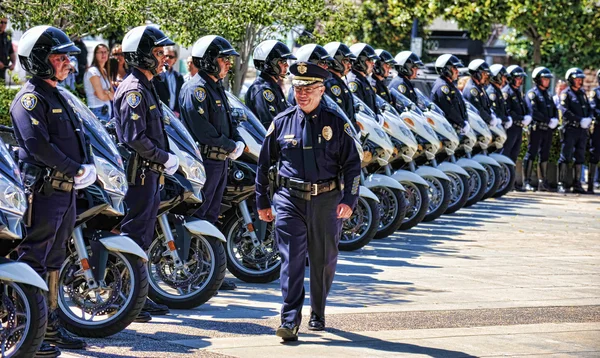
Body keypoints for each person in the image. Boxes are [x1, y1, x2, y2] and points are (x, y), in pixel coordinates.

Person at [256, 62, 361, 341]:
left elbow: (352, 166)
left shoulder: (336, 123)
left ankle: (318, 310)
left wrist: (350, 199)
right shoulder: (281, 122)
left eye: (308, 89)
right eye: (297, 88)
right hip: (289, 200)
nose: (301, 94)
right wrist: (262, 202)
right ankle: (289, 320)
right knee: (291, 261)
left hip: (327, 200)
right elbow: (264, 164)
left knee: (323, 260)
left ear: (322, 90)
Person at [11, 25, 96, 357]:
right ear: (39, 61)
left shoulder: (58, 94)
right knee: (34, 256)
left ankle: (49, 324)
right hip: (44, 192)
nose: (67, 63)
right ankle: (27, 327)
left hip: (65, 191)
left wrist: (88, 166)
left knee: (56, 257)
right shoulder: (30, 98)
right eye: (60, 57)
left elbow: (80, 136)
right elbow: (37, 145)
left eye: (68, 57)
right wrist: (75, 168)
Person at [114, 25, 180, 320]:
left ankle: (137, 294)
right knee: (134, 235)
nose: (163, 57)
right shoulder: (134, 90)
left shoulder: (147, 86)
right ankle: (126, 297)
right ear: (142, 56)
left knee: (142, 237)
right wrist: (164, 157)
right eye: (157, 52)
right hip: (140, 173)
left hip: (150, 173)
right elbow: (134, 138)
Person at [179, 35, 245, 290]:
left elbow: (230, 122)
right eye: (223, 58)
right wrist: (230, 145)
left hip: (220, 161)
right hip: (206, 160)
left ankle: (208, 272)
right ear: (208, 61)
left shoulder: (216, 87)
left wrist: (237, 141)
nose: (228, 63)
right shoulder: (197, 89)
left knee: (211, 217)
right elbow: (202, 129)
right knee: (199, 217)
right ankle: (191, 273)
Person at [245, 40, 296, 128]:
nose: (287, 65)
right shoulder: (261, 90)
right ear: (269, 64)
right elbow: (270, 125)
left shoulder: (273, 87)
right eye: (282, 62)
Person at [557, 67, 592, 194]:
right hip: (570, 129)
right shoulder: (566, 94)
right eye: (576, 79)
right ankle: (562, 183)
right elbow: (564, 111)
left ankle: (577, 184)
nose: (579, 81)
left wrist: (589, 118)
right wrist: (578, 120)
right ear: (570, 80)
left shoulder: (582, 94)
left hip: (581, 131)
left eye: (580, 79)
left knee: (580, 156)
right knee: (566, 156)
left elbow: (589, 108)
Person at [524, 67, 559, 191]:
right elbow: (533, 112)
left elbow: (554, 109)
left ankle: (542, 182)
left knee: (544, 154)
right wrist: (548, 120)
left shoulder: (548, 95)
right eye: (544, 79)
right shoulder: (532, 94)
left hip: (547, 130)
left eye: (548, 79)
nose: (547, 81)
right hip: (536, 128)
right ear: (538, 80)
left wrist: (555, 119)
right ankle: (526, 181)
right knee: (531, 153)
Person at [503, 65, 532, 190]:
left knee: (514, 155)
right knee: (506, 155)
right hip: (511, 127)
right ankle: (504, 182)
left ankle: (511, 182)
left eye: (521, 78)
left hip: (518, 128)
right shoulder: (507, 92)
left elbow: (525, 108)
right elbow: (508, 110)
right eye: (518, 77)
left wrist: (528, 116)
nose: (520, 80)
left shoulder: (518, 92)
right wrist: (521, 118)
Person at [430, 54, 470, 134]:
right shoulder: (442, 86)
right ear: (446, 69)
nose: (457, 71)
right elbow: (449, 109)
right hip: (445, 130)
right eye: (454, 68)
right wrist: (461, 123)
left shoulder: (449, 85)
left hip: (452, 129)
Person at [323, 42, 356, 125]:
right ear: (335, 61)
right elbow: (339, 114)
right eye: (346, 61)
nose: (349, 66)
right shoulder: (331, 83)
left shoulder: (338, 81)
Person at [346, 43, 380, 113]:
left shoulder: (363, 79)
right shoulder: (354, 81)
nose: (373, 63)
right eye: (370, 60)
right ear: (359, 62)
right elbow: (359, 111)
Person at [462, 59, 498, 126]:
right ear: (477, 74)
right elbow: (478, 109)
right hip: (476, 125)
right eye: (484, 73)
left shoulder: (479, 87)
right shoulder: (472, 89)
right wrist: (489, 119)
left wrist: (491, 115)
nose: (486, 76)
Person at [84, 44, 114, 121]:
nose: (104, 54)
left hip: (106, 111)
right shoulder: (93, 71)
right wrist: (108, 93)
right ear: (95, 54)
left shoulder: (104, 71)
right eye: (101, 52)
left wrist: (106, 92)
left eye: (105, 52)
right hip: (97, 111)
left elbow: (113, 95)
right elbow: (101, 96)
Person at [153, 45, 184, 114]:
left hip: (175, 115)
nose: (167, 58)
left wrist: (178, 111)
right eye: (166, 55)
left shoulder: (179, 77)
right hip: (161, 114)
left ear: (175, 60)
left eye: (171, 57)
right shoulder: (156, 76)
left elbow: (181, 97)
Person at [587, 70, 600, 194]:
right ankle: (591, 184)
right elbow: (594, 109)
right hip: (598, 127)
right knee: (595, 154)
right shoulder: (595, 92)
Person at [0, 17, 15, 83]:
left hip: (2, 70)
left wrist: (13, 63)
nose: (3, 24)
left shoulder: (7, 36)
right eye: (1, 22)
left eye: (5, 23)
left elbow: (11, 52)